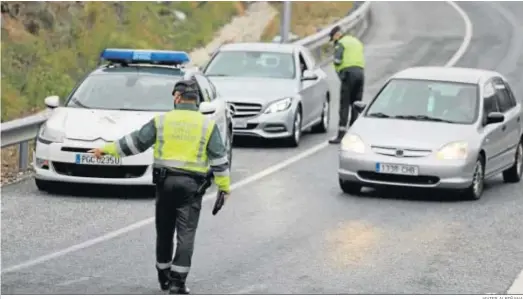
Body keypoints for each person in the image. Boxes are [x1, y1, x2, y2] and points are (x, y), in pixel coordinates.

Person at [88, 79, 231, 294]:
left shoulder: (162, 121)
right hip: (192, 187)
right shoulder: (207, 125)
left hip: (165, 183)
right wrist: (224, 188)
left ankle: (164, 276)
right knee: (186, 233)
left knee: (164, 231)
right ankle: (178, 282)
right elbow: (219, 159)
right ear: (197, 101)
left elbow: (136, 142)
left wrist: (107, 150)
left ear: (177, 97)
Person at [328, 25, 365, 144]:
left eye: (333, 38)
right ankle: (354, 135)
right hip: (360, 74)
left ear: (337, 34)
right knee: (356, 105)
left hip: (348, 75)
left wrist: (339, 73)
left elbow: (337, 61)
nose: (333, 41)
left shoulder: (341, 43)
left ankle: (341, 136)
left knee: (344, 105)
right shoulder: (357, 42)